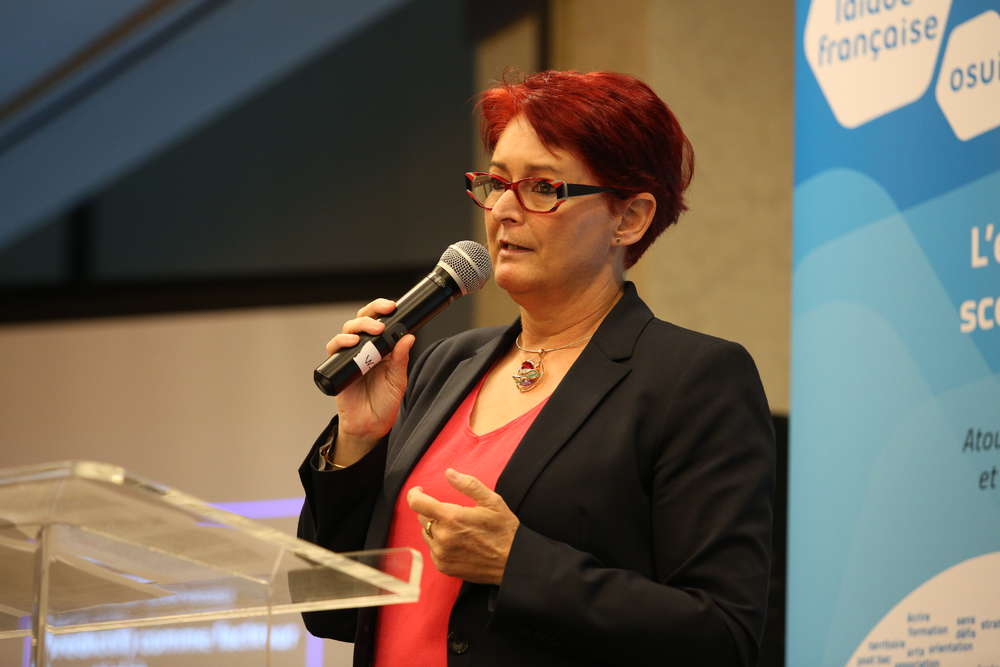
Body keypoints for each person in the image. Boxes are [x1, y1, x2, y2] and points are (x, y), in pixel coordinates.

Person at [297, 70, 774, 667]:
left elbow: (722, 637)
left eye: (542, 188)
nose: (502, 210)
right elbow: (332, 610)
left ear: (628, 217)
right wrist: (359, 440)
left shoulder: (692, 381)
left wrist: (517, 564)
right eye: (496, 183)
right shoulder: (445, 365)